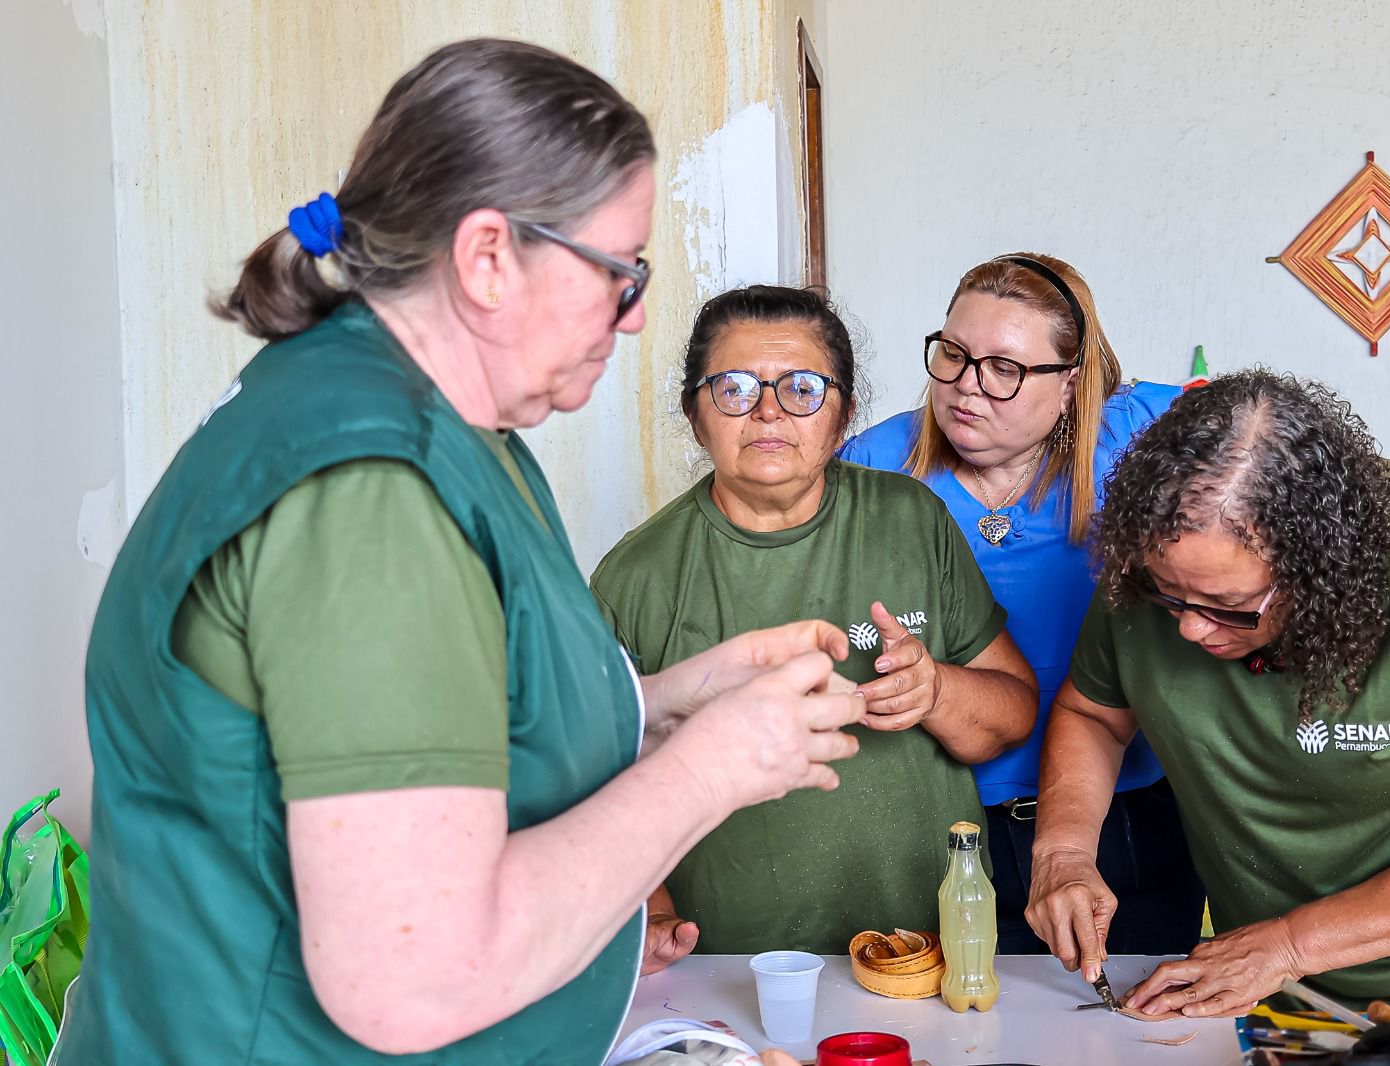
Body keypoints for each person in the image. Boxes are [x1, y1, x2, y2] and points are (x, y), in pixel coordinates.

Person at [57, 40, 863, 1066]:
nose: (636, 317)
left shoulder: (453, 432)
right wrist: (713, 768)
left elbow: (442, 727)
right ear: (487, 257)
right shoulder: (368, 490)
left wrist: (662, 708)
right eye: (620, 272)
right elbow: (414, 977)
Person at [1027, 368, 1390, 1016]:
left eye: (1229, 606)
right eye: (1170, 597)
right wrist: (1063, 852)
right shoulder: (1163, 556)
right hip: (1271, 982)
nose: (1188, 628)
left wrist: (1290, 945)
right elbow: (1094, 714)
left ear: (1323, 567)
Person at [590, 284, 1039, 964]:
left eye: (802, 388)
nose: (768, 411)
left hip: (924, 951)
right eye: (735, 389)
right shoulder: (637, 576)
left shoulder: (910, 520)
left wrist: (936, 691)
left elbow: (1013, 716)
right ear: (694, 413)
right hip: (727, 965)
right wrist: (652, 910)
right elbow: (598, 781)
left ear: (844, 414)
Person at [839, 253, 1204, 955]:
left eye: (1004, 368)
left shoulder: (1144, 436)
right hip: (941, 827)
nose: (966, 386)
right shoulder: (873, 466)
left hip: (1126, 819)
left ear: (1071, 382)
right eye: (953, 354)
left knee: (1132, 1011)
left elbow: (1276, 456)